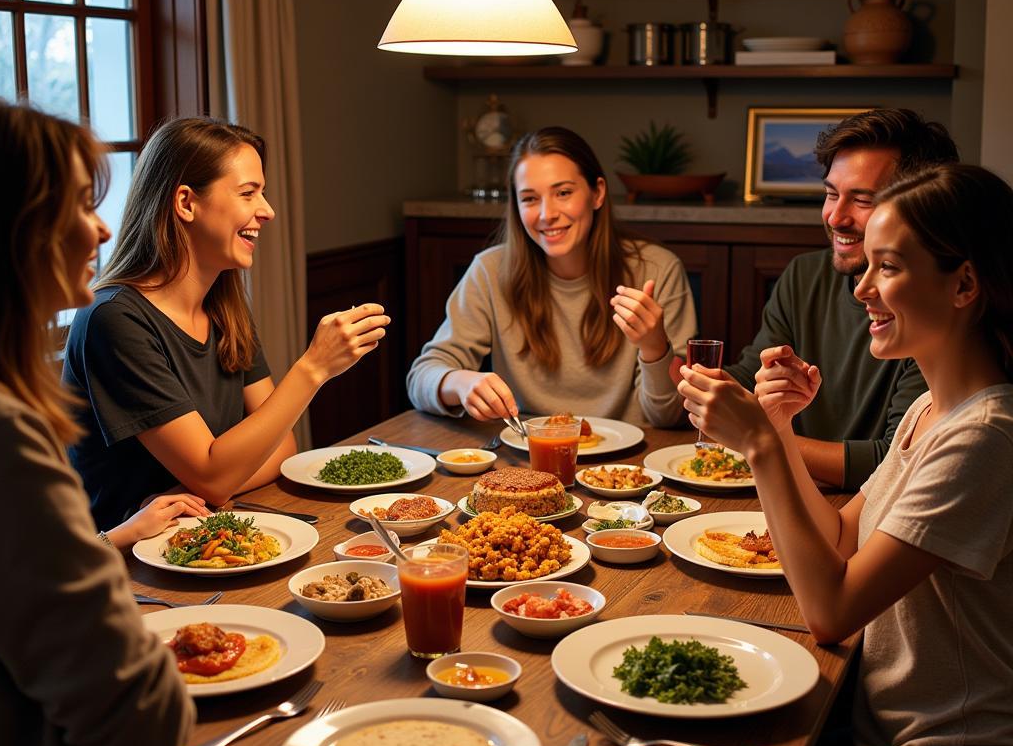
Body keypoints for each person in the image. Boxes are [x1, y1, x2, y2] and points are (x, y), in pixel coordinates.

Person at [678, 164, 1013, 746]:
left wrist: (764, 450)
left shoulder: (987, 437)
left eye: (887, 268)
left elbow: (827, 611)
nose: (861, 289)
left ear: (964, 286)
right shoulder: (934, 411)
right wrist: (777, 427)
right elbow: (836, 539)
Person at [0, 98, 197, 746]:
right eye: (80, 204)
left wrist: (103, 545)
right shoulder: (5, 437)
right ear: (16, 231)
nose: (102, 230)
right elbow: (145, 724)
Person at [64, 116, 391, 529]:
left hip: (205, 537)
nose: (268, 211)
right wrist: (314, 367)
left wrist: (205, 485)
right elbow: (216, 476)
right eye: (248, 193)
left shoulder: (224, 306)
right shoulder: (114, 319)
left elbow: (281, 447)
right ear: (185, 203)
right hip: (125, 571)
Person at [718, 108, 959, 491]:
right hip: (803, 496)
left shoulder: (927, 312)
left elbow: (895, 460)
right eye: (831, 194)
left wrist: (762, 438)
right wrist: (663, 356)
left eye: (862, 200)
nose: (835, 217)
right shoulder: (804, 275)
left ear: (923, 205)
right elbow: (746, 381)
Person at [407, 126, 697, 426]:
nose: (547, 214)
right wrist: (459, 382)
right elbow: (421, 378)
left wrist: (654, 347)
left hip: (629, 466)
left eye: (563, 193)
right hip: (524, 460)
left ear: (597, 193)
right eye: (530, 199)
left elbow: (668, 416)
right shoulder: (489, 271)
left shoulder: (658, 270)